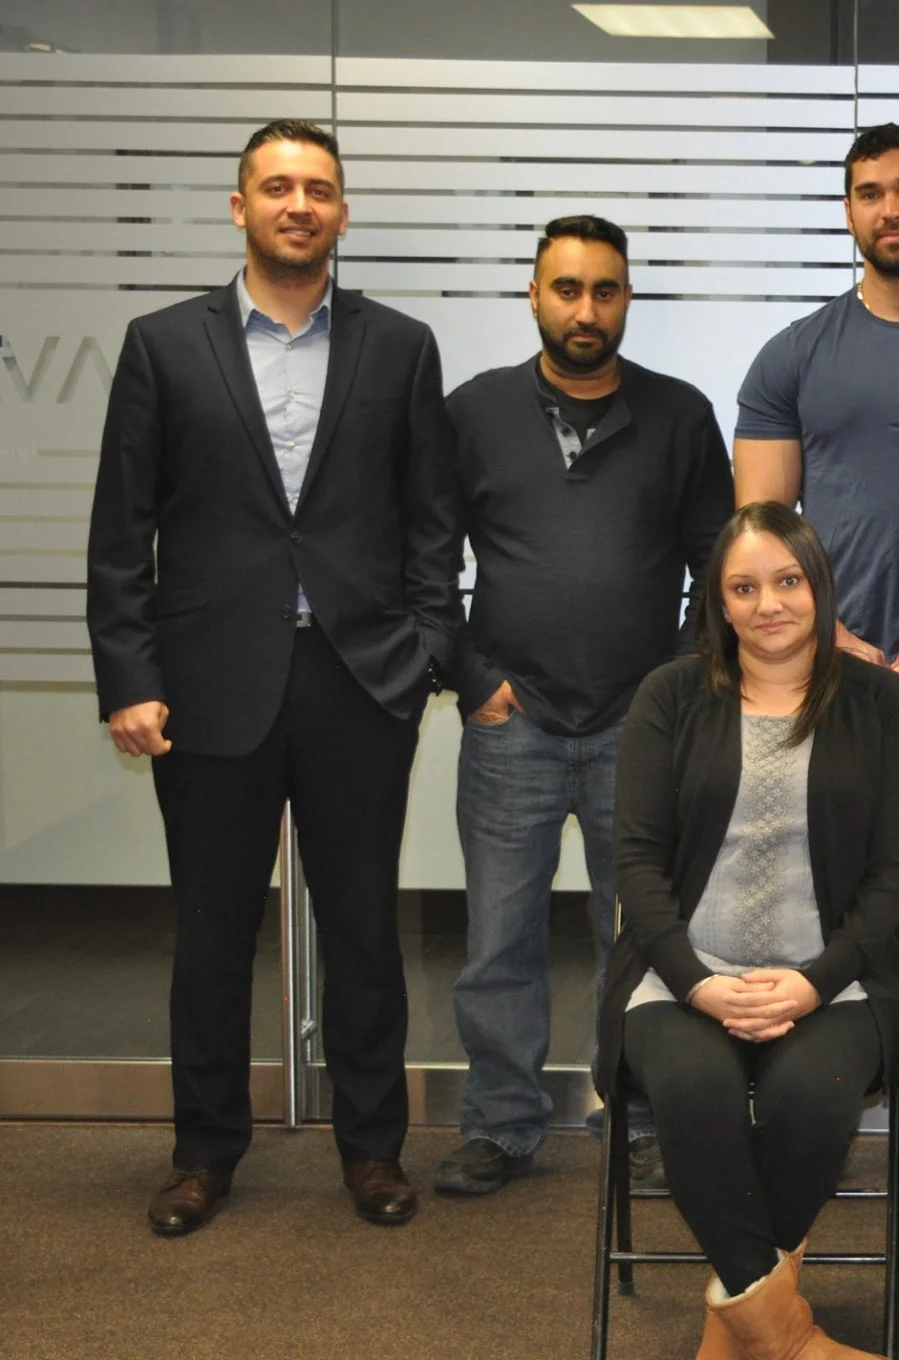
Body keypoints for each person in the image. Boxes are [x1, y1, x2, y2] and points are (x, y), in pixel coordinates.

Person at [86, 119, 463, 1236]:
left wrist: (424, 652)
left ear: (343, 212)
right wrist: (129, 675)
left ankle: (373, 1151)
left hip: (359, 681)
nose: (300, 205)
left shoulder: (401, 347)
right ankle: (202, 1154)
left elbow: (431, 521)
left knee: (362, 931)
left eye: (319, 189)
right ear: (239, 205)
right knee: (210, 935)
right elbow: (122, 532)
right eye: (278, 186)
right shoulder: (163, 345)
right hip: (208, 684)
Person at [435, 215, 734, 1199]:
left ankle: (640, 1116)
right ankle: (501, 1124)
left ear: (626, 299)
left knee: (643, 940)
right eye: (566, 289)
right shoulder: (474, 413)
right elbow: (423, 562)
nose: (585, 310)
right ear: (534, 295)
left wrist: (676, 692)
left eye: (604, 290)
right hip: (510, 725)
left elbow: (717, 568)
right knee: (498, 942)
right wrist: (471, 677)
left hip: (637, 729)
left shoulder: (679, 416)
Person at [595, 504, 899, 1360]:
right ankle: (789, 1341)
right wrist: (699, 984)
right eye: (743, 588)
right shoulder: (670, 696)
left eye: (787, 581)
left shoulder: (886, 704)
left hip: (837, 978)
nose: (768, 604)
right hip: (681, 974)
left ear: (819, 586)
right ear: (719, 601)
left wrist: (814, 983)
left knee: (811, 1096)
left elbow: (894, 875)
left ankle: (734, 1331)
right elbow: (636, 861)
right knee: (695, 1090)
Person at [733, 123, 899, 667]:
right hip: (829, 659)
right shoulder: (791, 356)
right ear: (849, 213)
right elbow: (761, 532)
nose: (890, 210)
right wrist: (829, 634)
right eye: (870, 194)